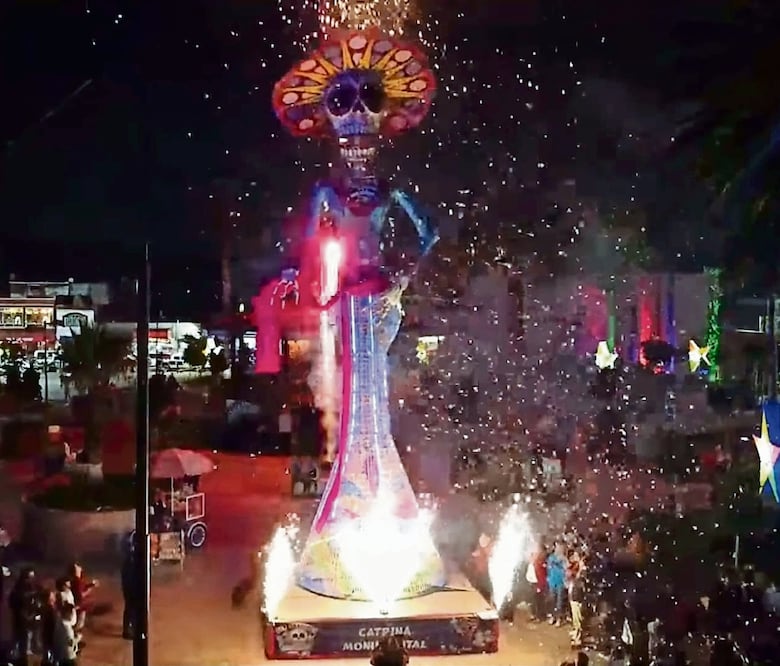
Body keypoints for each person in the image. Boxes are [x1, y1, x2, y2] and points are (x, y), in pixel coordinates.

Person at [8, 567, 42, 662]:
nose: (31, 579)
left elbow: (36, 599)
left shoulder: (33, 587)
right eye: (29, 577)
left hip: (30, 617)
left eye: (32, 576)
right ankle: (15, 655)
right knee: (19, 637)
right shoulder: (18, 589)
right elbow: (14, 603)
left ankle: (26, 651)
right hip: (21, 617)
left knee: (29, 635)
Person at [67, 562, 97, 631]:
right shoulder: (77, 581)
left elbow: (82, 588)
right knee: (78, 624)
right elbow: (81, 595)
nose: (80, 568)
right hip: (80, 606)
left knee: (77, 623)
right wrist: (90, 589)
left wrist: (91, 585)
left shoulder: (75, 580)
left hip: (77, 605)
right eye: (77, 568)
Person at [546, 543, 567, 625]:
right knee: (552, 601)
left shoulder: (564, 559)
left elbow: (566, 570)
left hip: (560, 583)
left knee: (559, 602)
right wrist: (548, 578)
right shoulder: (551, 558)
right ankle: (553, 616)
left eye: (560, 547)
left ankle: (559, 618)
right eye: (557, 547)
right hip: (552, 582)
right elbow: (548, 569)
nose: (558, 549)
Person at [569, 556, 587, 648]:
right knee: (576, 618)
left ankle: (578, 639)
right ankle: (577, 634)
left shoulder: (583, 573)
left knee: (578, 619)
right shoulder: (578, 570)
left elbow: (581, 585)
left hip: (577, 598)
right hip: (574, 597)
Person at [526, 548, 547, 621]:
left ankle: (539, 616)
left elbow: (541, 577)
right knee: (532, 601)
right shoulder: (530, 565)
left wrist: (539, 587)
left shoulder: (537, 565)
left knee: (538, 601)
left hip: (536, 584)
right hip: (531, 584)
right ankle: (534, 614)